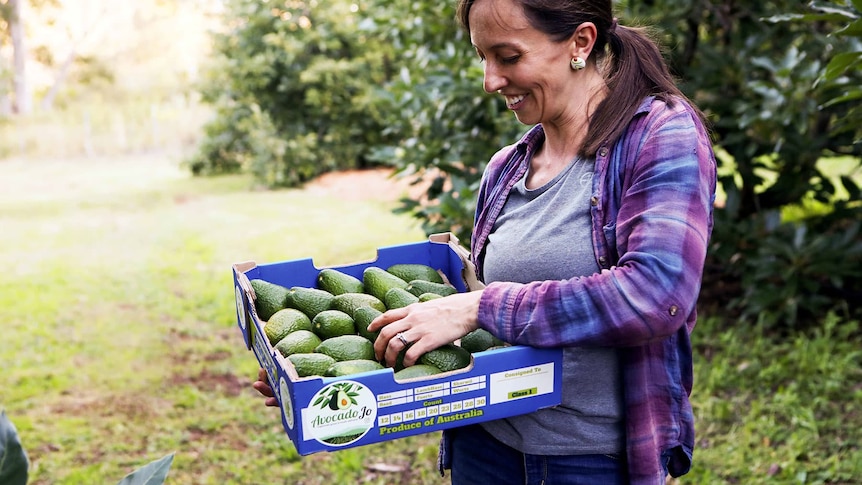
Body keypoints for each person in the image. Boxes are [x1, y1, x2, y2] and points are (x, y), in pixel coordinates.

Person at [255, 0, 717, 483]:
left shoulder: (661, 137)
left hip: (589, 460)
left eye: (509, 57)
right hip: (485, 445)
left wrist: (479, 307)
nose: (491, 81)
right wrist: (314, 375)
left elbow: (657, 295)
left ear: (581, 42)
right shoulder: (507, 167)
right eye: (483, 58)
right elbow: (461, 331)